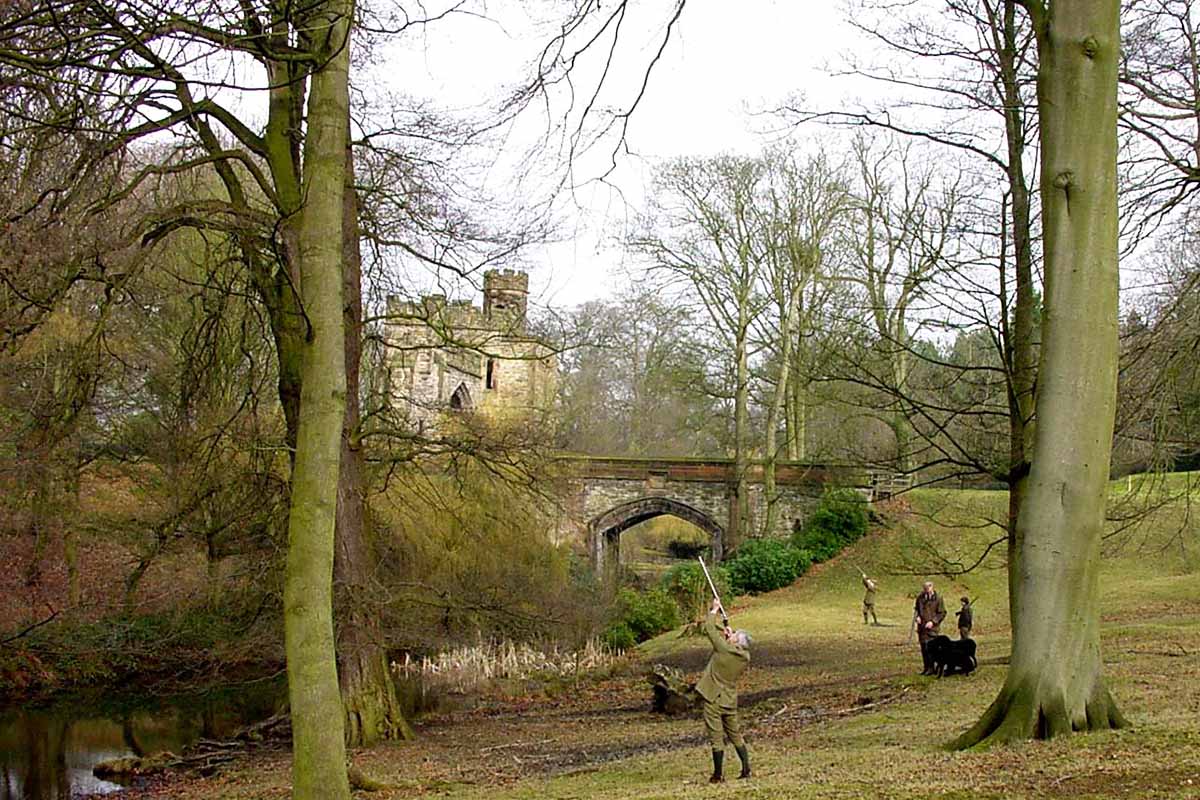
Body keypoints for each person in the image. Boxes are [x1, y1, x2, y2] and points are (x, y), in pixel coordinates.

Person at [696, 599, 752, 782]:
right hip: (729, 700)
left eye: (734, 634)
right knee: (735, 734)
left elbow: (709, 630)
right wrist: (727, 633)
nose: (732, 634)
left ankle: (718, 774)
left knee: (716, 737)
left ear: (736, 642)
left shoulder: (724, 650)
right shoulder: (744, 657)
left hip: (713, 698)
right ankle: (746, 769)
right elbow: (726, 642)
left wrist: (714, 610)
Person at [914, 580, 946, 675]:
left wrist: (933, 622)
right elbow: (916, 610)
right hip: (922, 628)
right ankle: (927, 667)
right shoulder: (920, 598)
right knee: (924, 649)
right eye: (925, 590)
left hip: (933, 629)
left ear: (932, 588)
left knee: (933, 649)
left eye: (928, 589)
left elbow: (942, 613)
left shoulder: (938, 599)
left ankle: (934, 668)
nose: (926, 591)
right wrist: (917, 617)